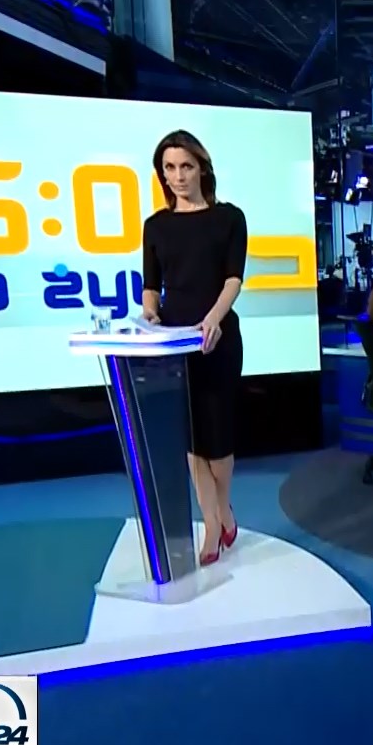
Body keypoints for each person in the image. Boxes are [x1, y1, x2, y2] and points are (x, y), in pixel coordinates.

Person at [140, 129, 246, 565]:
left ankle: (224, 510)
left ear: (202, 168)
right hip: (175, 344)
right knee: (190, 443)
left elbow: (233, 278)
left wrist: (214, 318)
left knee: (217, 443)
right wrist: (150, 315)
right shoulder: (155, 226)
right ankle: (211, 524)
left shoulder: (229, 218)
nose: (178, 175)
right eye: (169, 168)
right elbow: (151, 287)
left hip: (218, 340)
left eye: (186, 166)